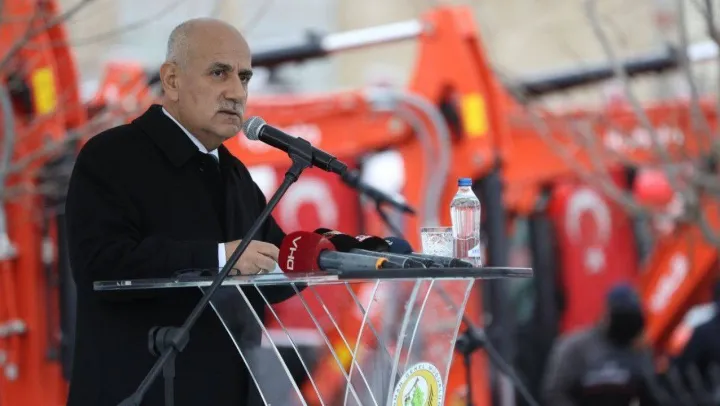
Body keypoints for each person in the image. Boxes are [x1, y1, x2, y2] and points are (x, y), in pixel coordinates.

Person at [65, 18, 299, 406]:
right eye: (219, 73)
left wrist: (342, 252)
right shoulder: (111, 157)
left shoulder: (234, 174)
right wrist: (220, 258)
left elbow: (275, 264)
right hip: (141, 393)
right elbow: (100, 264)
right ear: (172, 80)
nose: (236, 92)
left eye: (244, 77)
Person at [541, 283, 662, 406]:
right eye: (623, 318)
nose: (626, 326)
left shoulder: (637, 352)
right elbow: (554, 392)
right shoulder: (575, 348)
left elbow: (652, 395)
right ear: (607, 314)